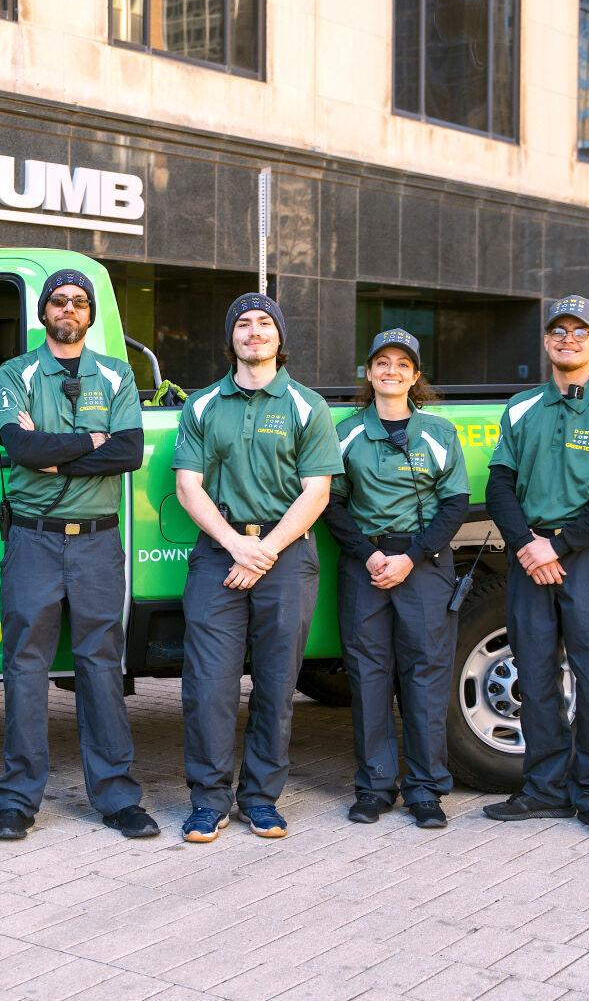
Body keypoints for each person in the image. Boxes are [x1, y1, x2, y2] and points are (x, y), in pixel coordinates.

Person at [0, 268, 158, 842]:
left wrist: (55, 455)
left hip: (97, 543)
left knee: (101, 667)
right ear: (44, 313)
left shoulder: (115, 374)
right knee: (25, 667)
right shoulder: (16, 372)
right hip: (33, 540)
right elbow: (19, 444)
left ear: (90, 314)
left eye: (79, 302)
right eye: (58, 301)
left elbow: (129, 452)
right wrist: (90, 442)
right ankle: (17, 801)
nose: (69, 309)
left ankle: (118, 798)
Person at [172, 293, 342, 843]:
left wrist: (263, 550)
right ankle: (208, 801)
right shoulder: (202, 405)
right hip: (218, 554)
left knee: (276, 685)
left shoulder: (306, 406)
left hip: (286, 556)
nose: (253, 332)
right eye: (242, 324)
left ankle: (262, 799)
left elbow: (317, 492)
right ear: (232, 338)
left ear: (279, 336)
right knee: (208, 687)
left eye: (264, 323)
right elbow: (188, 486)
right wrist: (234, 545)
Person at [482, 296, 589, 839]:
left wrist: (559, 546)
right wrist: (527, 544)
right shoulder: (521, 408)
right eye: (558, 331)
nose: (567, 339)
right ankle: (544, 790)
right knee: (534, 677)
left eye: (580, 331)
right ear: (547, 342)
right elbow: (500, 484)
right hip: (531, 555)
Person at [320, 329, 468, 829]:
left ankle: (426, 790)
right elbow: (331, 503)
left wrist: (412, 555)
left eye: (403, 364)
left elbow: (455, 504)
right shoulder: (346, 432)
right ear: (368, 372)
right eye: (382, 362)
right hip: (365, 564)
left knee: (426, 676)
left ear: (415, 375)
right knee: (368, 676)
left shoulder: (438, 433)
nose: (391, 371)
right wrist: (368, 554)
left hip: (423, 565)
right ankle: (375, 786)